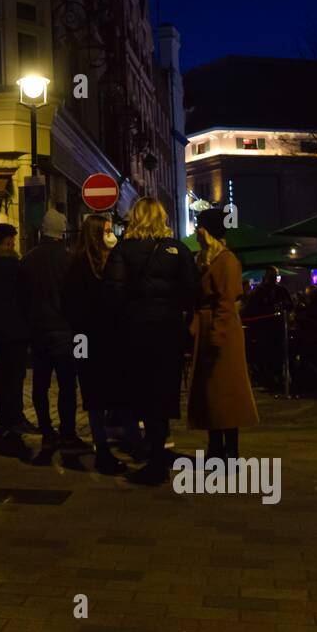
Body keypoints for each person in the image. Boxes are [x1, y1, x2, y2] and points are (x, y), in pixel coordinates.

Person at [106, 197, 200, 481]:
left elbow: (114, 293)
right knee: (164, 390)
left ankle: (153, 457)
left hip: (136, 331)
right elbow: (193, 291)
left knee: (142, 392)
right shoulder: (178, 250)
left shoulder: (123, 250)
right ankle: (159, 451)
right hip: (168, 331)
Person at [187, 206, 258, 461]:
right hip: (210, 329)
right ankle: (216, 448)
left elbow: (226, 303)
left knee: (225, 391)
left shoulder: (226, 261)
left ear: (207, 231)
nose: (196, 230)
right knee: (211, 392)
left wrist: (217, 335)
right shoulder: (207, 260)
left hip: (222, 332)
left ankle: (229, 451)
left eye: (199, 226)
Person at [63, 213, 124, 474]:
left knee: (105, 391)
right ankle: (102, 449)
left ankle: (107, 444)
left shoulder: (105, 262)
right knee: (94, 393)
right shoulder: (79, 264)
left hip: (99, 336)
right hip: (89, 337)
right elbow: (72, 304)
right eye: (108, 230)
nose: (111, 235)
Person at [21, 209, 81, 450]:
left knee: (40, 384)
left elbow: (21, 298)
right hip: (65, 332)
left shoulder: (27, 260)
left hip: (38, 330)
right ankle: (67, 431)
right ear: (61, 232)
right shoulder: (68, 260)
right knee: (67, 385)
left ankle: (46, 429)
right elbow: (77, 297)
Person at [0, 222, 31, 436]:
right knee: (16, 373)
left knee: (2, 371)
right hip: (17, 326)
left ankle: (4, 417)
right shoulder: (13, 265)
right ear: (9, 241)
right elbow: (24, 296)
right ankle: (16, 416)